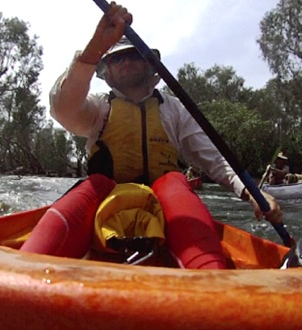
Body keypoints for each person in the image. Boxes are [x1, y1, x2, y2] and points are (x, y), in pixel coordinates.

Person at [20, 2, 283, 269]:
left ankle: (209, 276)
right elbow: (62, 107)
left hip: (167, 198)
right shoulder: (99, 106)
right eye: (116, 59)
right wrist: (94, 49)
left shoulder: (174, 107)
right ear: (107, 75)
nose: (126, 62)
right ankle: (27, 268)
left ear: (150, 68)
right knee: (95, 182)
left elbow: (214, 158)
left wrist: (252, 194)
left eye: (134, 56)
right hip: (106, 195)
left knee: (173, 181)